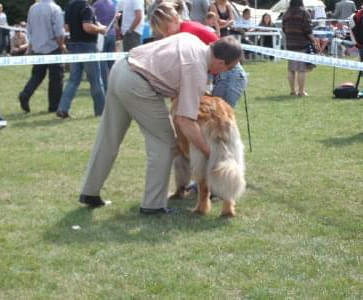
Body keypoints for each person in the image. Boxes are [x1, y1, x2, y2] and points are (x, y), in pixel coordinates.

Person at [78, 33, 242, 214]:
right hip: (138, 84)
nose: (225, 72)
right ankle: (153, 205)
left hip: (121, 68)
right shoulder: (197, 69)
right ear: (220, 63)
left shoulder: (192, 40)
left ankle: (89, 191)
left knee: (109, 135)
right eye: (229, 68)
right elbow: (185, 121)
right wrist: (210, 153)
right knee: (165, 142)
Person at [150, 2, 247, 107]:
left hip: (229, 73)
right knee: (213, 116)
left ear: (175, 18)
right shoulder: (184, 30)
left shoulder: (186, 34)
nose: (166, 34)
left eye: (166, 29)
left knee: (217, 117)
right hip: (222, 71)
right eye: (162, 32)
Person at [56, 0, 107, 119]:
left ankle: (63, 108)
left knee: (73, 80)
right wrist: (101, 29)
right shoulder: (87, 8)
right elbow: (87, 27)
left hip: (74, 45)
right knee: (95, 80)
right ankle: (101, 111)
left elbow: (67, 28)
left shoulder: (69, 7)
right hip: (88, 46)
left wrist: (95, 25)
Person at [18, 0, 66, 113]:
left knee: (37, 75)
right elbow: (59, 31)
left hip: (37, 47)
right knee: (56, 78)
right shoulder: (55, 9)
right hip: (53, 47)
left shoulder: (33, 8)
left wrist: (33, 44)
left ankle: (25, 94)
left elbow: (29, 29)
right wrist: (62, 46)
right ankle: (54, 106)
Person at [282, 0, 320, 97]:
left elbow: (283, 29)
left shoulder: (286, 14)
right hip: (302, 44)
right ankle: (301, 92)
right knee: (301, 69)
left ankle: (292, 91)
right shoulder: (304, 13)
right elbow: (308, 30)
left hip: (290, 44)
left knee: (291, 69)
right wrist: (314, 41)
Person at [93, 0, 117, 93]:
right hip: (112, 34)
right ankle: (115, 85)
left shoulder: (96, 4)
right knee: (112, 63)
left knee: (102, 62)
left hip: (101, 35)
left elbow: (92, 18)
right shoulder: (113, 4)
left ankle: (105, 87)